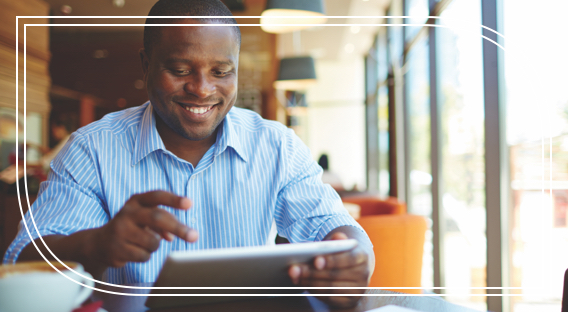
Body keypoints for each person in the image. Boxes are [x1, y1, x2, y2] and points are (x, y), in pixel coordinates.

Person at [3, 0, 374, 307]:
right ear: (146, 66)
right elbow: (21, 259)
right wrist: (95, 244)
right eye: (180, 69)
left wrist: (354, 259)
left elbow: (341, 232)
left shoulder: (276, 146)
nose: (201, 89)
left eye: (221, 71)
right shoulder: (92, 148)